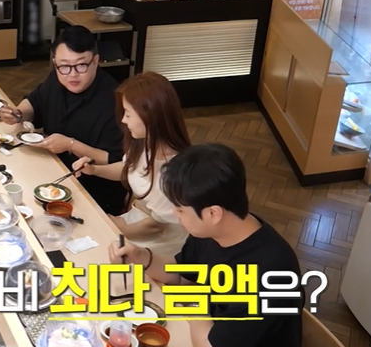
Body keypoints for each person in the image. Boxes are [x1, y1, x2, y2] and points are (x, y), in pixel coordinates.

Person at [109, 143, 303, 347]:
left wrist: (193, 302)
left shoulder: (267, 276)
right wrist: (141, 257)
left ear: (213, 213)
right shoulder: (217, 229)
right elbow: (182, 275)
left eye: (180, 210)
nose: (175, 214)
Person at [0, 26, 126, 215]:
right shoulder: (58, 78)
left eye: (81, 65)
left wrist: (70, 145)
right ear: (55, 63)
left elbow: (114, 159)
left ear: (95, 61)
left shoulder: (115, 101)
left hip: (93, 190)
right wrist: (18, 113)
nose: (72, 74)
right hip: (52, 168)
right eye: (64, 66)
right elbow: (35, 102)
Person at [71, 72, 190, 257]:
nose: (123, 120)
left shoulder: (172, 172)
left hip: (158, 241)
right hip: (135, 220)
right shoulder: (144, 142)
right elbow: (129, 169)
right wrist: (94, 170)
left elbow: (157, 227)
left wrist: (117, 227)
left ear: (149, 116)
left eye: (127, 114)